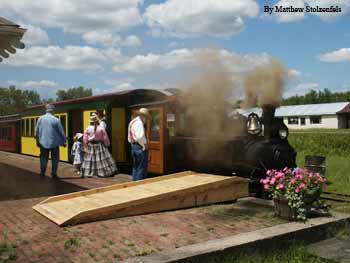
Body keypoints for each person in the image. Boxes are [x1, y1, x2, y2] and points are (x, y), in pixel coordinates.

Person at [35, 104, 66, 178]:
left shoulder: (40, 119)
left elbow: (36, 131)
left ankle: (42, 172)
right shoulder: (56, 119)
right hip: (54, 143)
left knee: (43, 158)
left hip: (43, 143)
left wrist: (37, 141)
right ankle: (54, 173)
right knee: (55, 158)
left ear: (46, 110)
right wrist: (64, 141)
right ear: (52, 110)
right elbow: (61, 132)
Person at [128, 108, 150, 181]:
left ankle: (134, 184)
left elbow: (129, 137)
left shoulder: (132, 122)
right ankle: (140, 186)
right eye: (146, 118)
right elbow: (140, 137)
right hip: (139, 147)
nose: (146, 120)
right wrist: (144, 145)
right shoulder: (139, 123)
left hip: (134, 147)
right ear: (143, 116)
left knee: (136, 167)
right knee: (141, 168)